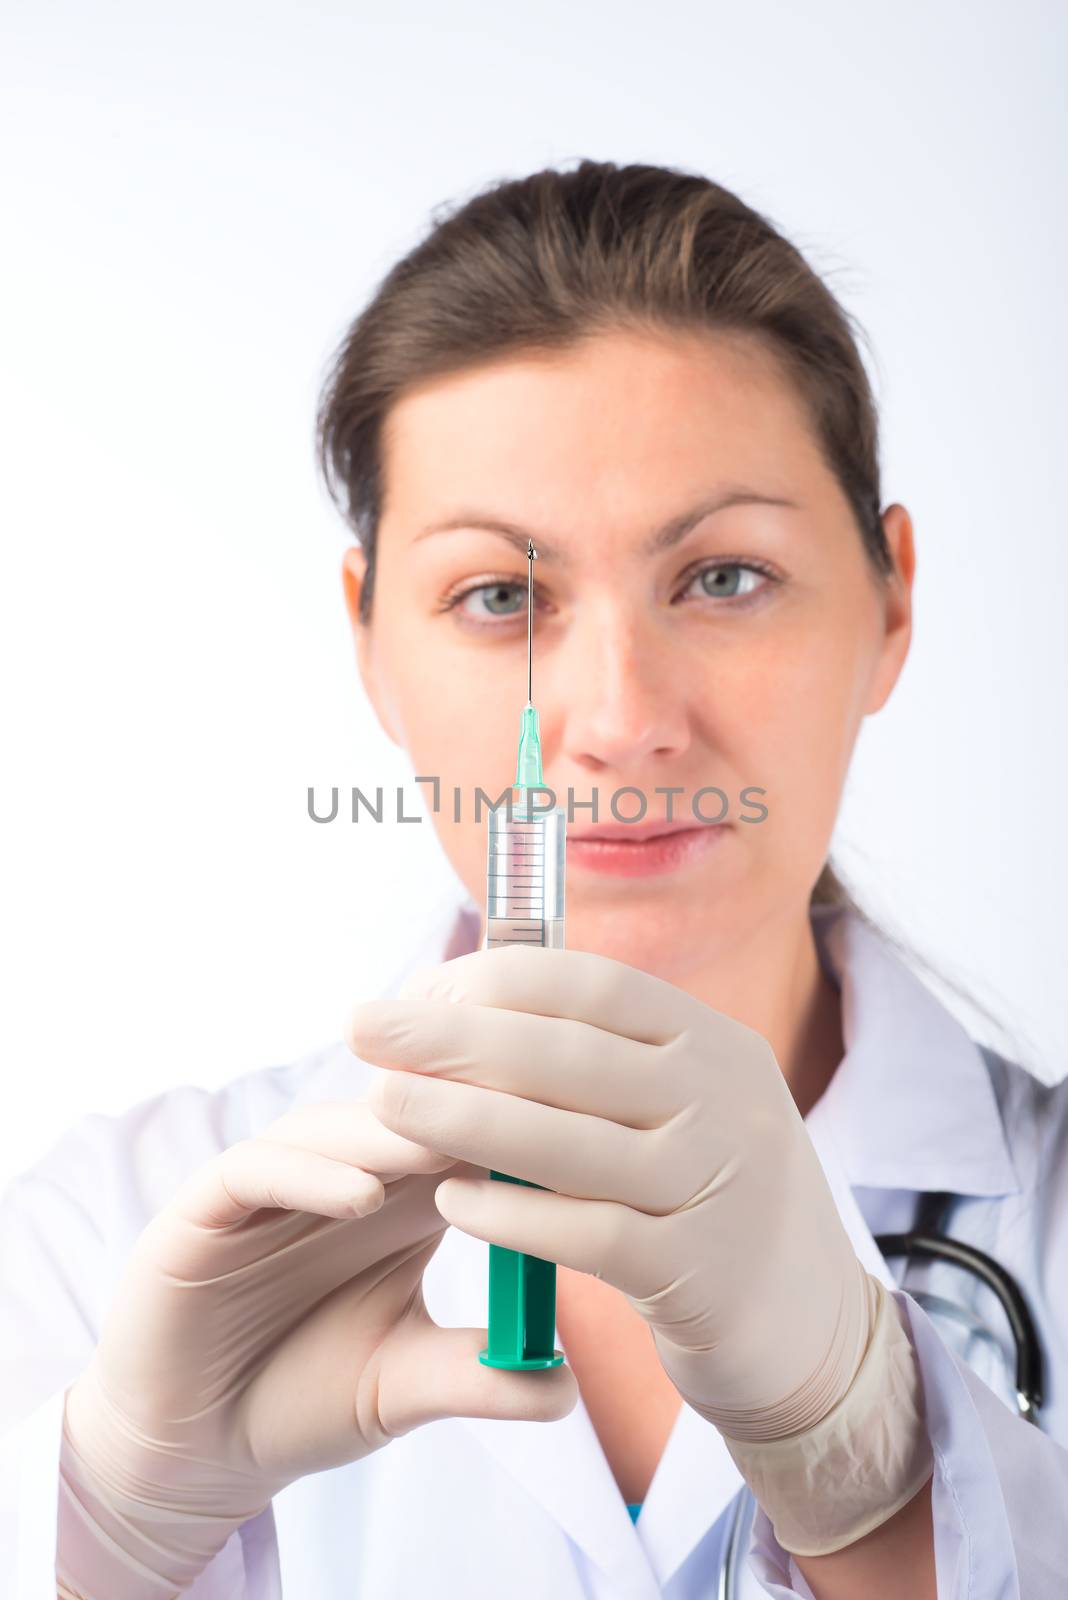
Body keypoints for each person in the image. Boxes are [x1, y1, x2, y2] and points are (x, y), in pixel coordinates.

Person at [2, 159, 1066, 1600]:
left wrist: (885, 1485)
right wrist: (103, 1531)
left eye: (723, 576)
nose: (623, 719)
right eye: (502, 596)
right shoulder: (106, 1245)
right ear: (371, 643)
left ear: (891, 600)